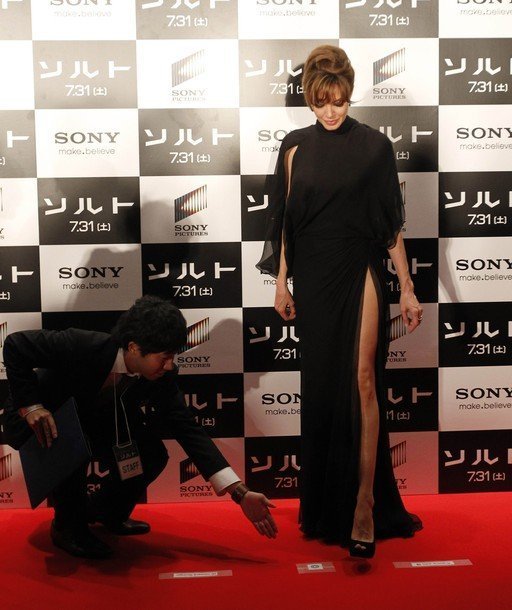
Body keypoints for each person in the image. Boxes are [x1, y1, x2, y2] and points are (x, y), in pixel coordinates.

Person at [257, 45, 422, 558]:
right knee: (325, 388)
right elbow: (286, 221)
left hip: (359, 266)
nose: (330, 112)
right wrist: (281, 282)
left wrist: (407, 286)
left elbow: (389, 223)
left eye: (339, 101)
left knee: (364, 379)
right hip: (313, 273)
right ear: (309, 98)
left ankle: (365, 504)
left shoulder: (374, 146)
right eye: (320, 102)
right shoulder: (294, 147)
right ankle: (330, 504)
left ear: (350, 96)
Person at [2, 295, 277, 559]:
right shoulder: (84, 345)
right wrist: (31, 406)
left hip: (94, 417)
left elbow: (186, 427)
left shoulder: (161, 374)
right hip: (41, 417)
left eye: (173, 356)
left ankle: (105, 513)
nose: (169, 365)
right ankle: (67, 528)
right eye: (164, 357)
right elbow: (15, 345)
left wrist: (239, 492)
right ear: (134, 348)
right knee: (73, 442)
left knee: (151, 454)